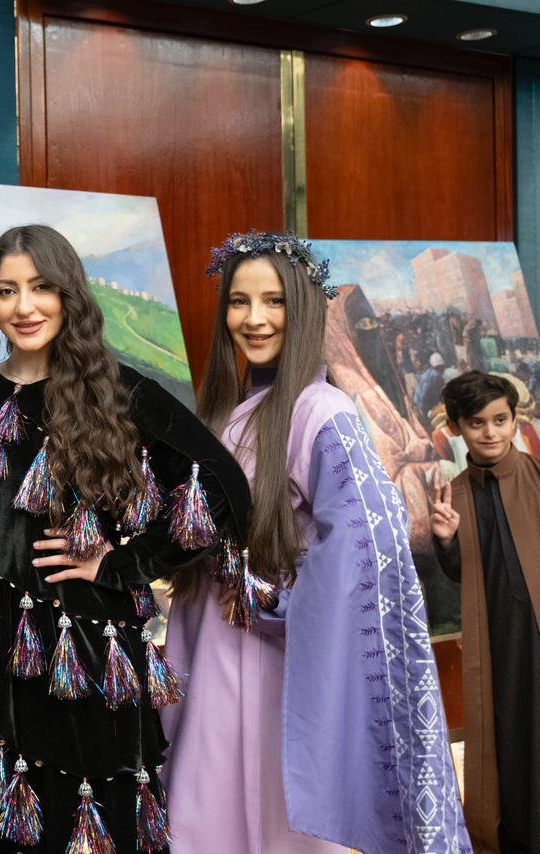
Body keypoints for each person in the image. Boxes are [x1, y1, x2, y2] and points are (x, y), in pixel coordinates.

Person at [0, 225, 251, 852]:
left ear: (69, 294)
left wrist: (125, 564)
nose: (24, 307)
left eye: (41, 287)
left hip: (82, 657)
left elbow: (223, 486)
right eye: (6, 291)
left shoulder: (120, 394)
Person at [163, 231, 468, 853]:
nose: (254, 318)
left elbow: (368, 543)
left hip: (264, 655)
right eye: (239, 301)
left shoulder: (321, 411)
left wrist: (277, 603)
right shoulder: (227, 408)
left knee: (261, 825)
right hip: (208, 643)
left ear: (301, 309)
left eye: (273, 301)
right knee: (202, 815)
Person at [432, 370, 540, 853]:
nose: (491, 432)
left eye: (500, 420)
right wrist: (446, 539)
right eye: (477, 423)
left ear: (515, 420)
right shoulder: (453, 494)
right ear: (457, 428)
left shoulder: (536, 476)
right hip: (499, 644)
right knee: (512, 744)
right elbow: (463, 573)